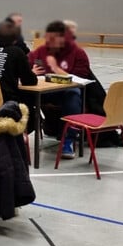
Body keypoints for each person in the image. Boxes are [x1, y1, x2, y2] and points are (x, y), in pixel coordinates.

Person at [28, 20, 90, 158]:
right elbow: (24, 67)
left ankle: (68, 140)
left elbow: (80, 79)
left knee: (73, 94)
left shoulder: (78, 53)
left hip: (63, 93)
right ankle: (19, 136)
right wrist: (30, 71)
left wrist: (56, 68)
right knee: (19, 94)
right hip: (42, 91)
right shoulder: (40, 51)